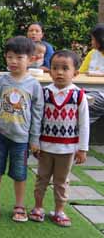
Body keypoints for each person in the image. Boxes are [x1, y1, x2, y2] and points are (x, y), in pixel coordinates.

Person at [0, 36, 44, 222]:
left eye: (19, 57)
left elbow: (37, 114)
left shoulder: (34, 85)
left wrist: (34, 139)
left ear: (31, 59)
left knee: (20, 173)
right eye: (10, 57)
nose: (13, 61)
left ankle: (19, 206)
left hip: (22, 139)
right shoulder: (1, 81)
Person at [29, 50, 89, 227]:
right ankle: (38, 207)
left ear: (75, 73)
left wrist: (82, 148)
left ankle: (59, 211)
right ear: (50, 71)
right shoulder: (44, 92)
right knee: (42, 179)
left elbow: (84, 124)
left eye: (65, 68)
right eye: (55, 68)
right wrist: (34, 142)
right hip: (45, 147)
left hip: (67, 149)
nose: (60, 72)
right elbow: (37, 118)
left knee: (61, 182)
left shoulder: (78, 96)